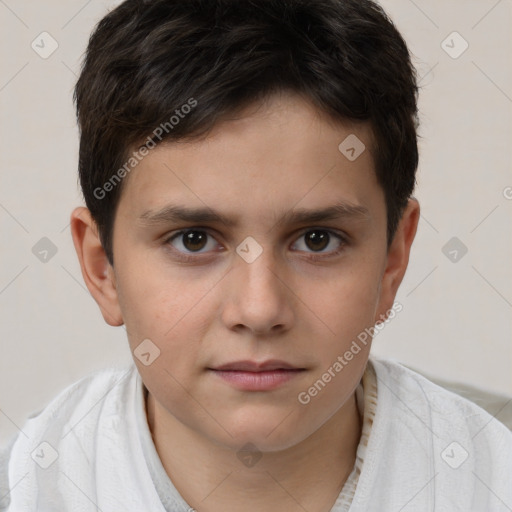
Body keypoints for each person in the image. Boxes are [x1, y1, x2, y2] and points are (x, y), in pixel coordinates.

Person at [1, 0, 511, 510]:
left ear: (392, 260)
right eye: (194, 240)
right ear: (102, 268)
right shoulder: (29, 488)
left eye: (317, 239)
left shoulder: (490, 472)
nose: (260, 309)